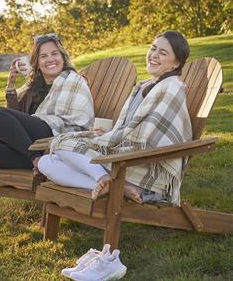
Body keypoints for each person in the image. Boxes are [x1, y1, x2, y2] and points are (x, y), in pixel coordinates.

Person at [38, 30, 192, 206]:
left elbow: (148, 137)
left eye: (163, 53)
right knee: (46, 161)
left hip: (140, 164)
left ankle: (106, 180)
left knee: (63, 144)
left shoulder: (171, 88)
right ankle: (111, 185)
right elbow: (134, 128)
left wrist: (109, 139)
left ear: (175, 64)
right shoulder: (147, 85)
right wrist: (108, 134)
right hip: (124, 156)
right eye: (153, 48)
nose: (154, 55)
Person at [0, 33, 95, 171]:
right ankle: (43, 162)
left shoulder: (74, 81)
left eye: (54, 54)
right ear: (37, 63)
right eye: (43, 56)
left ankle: (35, 158)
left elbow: (79, 121)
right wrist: (11, 84)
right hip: (31, 143)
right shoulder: (33, 88)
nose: (50, 59)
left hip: (56, 133)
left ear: (62, 57)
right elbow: (14, 119)